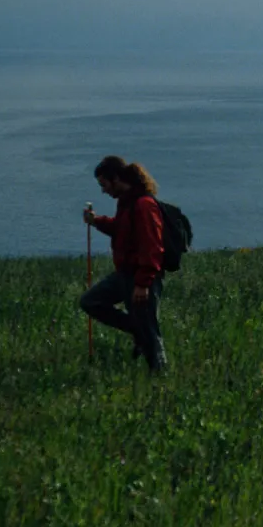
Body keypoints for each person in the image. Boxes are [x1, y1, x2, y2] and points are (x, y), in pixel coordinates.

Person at [80, 156, 169, 373]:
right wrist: (97, 221)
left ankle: (160, 376)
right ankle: (135, 329)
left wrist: (143, 283)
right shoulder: (127, 202)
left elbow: (153, 247)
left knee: (149, 331)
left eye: (104, 184)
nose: (103, 191)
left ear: (116, 179)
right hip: (125, 274)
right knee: (90, 301)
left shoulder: (144, 205)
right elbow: (120, 229)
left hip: (141, 277)